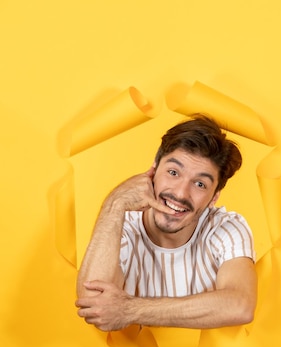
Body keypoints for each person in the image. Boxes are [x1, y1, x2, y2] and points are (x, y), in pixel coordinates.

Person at [75, 114, 257, 332]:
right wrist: (115, 203)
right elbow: (92, 303)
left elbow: (240, 305)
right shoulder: (119, 227)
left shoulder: (225, 227)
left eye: (200, 184)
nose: (180, 193)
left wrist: (130, 310)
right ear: (152, 171)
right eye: (173, 172)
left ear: (214, 197)